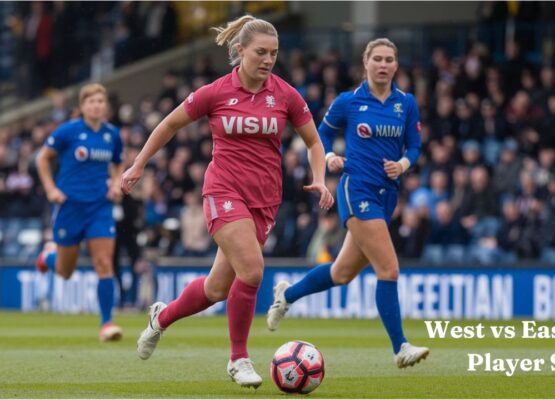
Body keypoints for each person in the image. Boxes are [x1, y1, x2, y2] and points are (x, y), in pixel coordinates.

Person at [123, 15, 333, 389]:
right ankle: (238, 359)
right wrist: (139, 164)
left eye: (274, 53)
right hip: (223, 192)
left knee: (217, 289)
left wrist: (318, 178)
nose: (268, 60)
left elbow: (315, 143)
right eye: (261, 52)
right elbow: (169, 124)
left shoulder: (285, 94)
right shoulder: (216, 92)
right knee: (252, 271)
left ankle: (161, 317)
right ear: (240, 51)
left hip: (265, 201)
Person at [267, 38, 430, 369]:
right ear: (366, 63)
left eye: (389, 60)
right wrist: (329, 157)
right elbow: (319, 134)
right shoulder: (348, 102)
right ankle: (400, 347)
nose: (383, 65)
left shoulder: (406, 103)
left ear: (396, 66)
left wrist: (403, 165)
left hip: (388, 194)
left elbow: (414, 146)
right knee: (389, 268)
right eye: (377, 59)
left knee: (342, 273)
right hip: (356, 190)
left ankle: (287, 296)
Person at [35, 83, 124, 342]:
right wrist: (51, 189)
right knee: (65, 270)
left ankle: (107, 323)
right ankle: (47, 258)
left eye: (100, 101)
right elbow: (42, 158)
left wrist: (116, 184)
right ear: (82, 106)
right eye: (91, 101)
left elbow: (118, 163)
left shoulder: (112, 135)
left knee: (104, 263)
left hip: (99, 207)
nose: (96, 105)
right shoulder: (68, 131)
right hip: (70, 206)